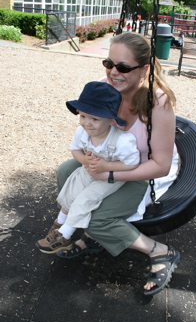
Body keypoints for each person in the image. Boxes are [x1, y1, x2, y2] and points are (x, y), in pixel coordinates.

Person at [44, 32, 180, 296]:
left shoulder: (158, 102)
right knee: (66, 171)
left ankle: (161, 251)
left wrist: (109, 174)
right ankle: (93, 235)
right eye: (109, 64)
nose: (113, 72)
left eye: (123, 67)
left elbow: (160, 165)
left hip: (141, 170)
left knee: (95, 217)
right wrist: (89, 160)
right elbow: (87, 132)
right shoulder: (102, 89)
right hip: (107, 162)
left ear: (144, 70)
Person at [36, 81, 139, 254]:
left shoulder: (122, 141)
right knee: (71, 191)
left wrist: (106, 166)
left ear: (110, 120)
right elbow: (75, 150)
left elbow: (132, 164)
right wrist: (85, 160)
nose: (87, 123)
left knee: (85, 199)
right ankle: (59, 223)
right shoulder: (82, 132)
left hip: (111, 176)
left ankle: (65, 235)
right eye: (83, 116)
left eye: (95, 118)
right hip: (89, 170)